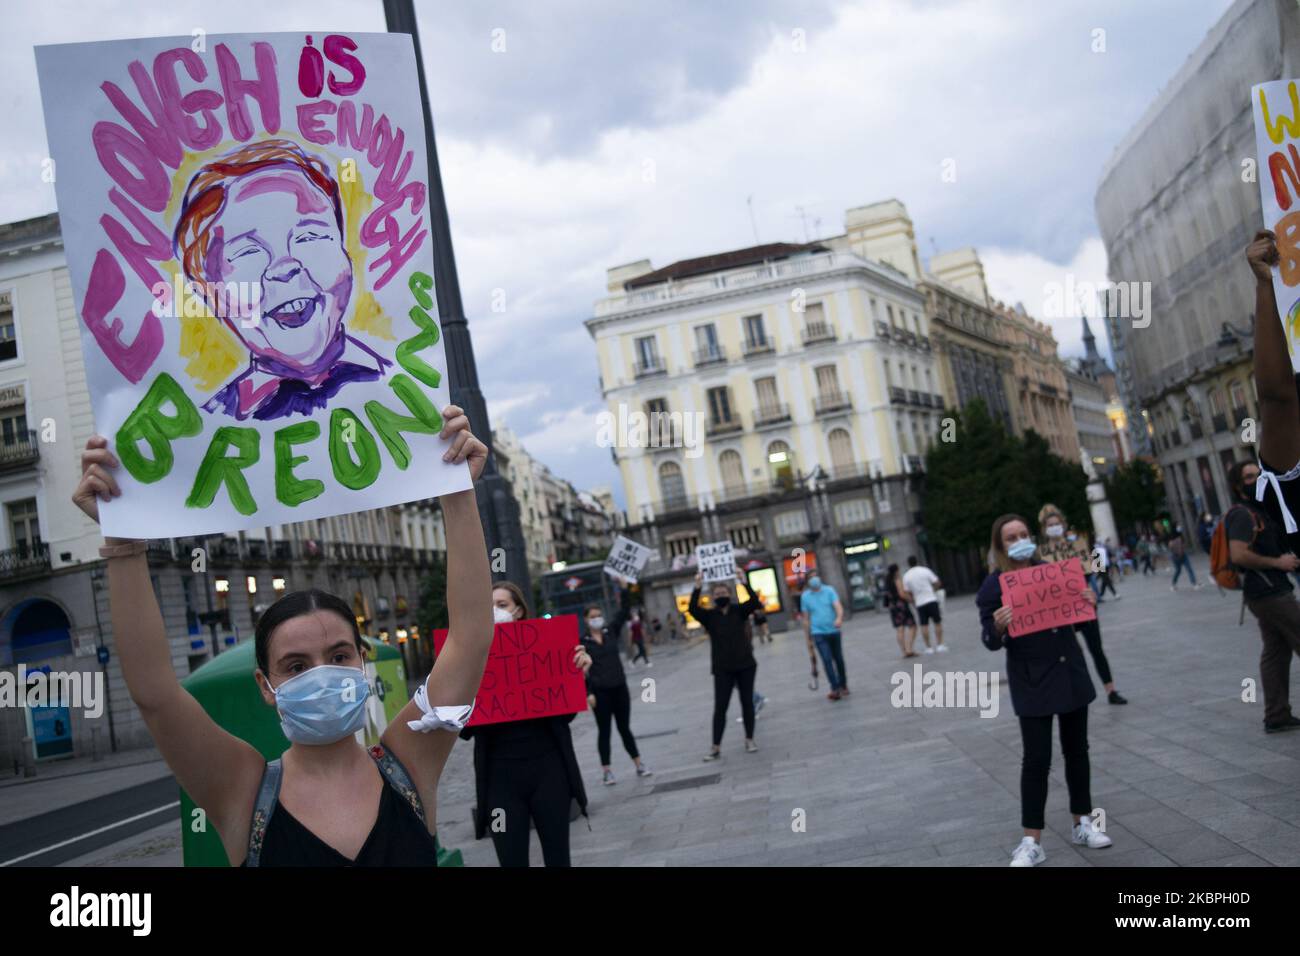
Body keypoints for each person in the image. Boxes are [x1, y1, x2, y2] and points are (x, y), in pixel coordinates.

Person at [70, 410, 492, 866]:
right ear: (264, 685)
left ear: (362, 663)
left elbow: (469, 636)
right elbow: (155, 694)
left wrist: (456, 492)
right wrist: (122, 541)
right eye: (296, 666)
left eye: (339, 655)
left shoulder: (410, 762)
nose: (321, 673)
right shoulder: (243, 791)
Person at [175, 139, 392, 421]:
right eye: (247, 252)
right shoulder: (201, 435)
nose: (284, 267)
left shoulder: (410, 390)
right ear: (208, 291)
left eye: (310, 237)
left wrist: (461, 459)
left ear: (344, 254)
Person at [977, 514, 1111, 867]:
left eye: (1023, 533)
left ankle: (1083, 822)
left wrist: (1087, 604)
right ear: (1000, 545)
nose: (1019, 540)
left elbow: (1079, 621)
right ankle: (1031, 840)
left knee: (1077, 750)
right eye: (1010, 537)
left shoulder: (1056, 570)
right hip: (1031, 679)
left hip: (1068, 670)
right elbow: (990, 640)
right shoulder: (994, 585)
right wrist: (997, 626)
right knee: (1036, 760)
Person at [459, 582, 592, 867]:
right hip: (499, 782)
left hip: (549, 773)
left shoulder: (545, 647)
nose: (494, 611)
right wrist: (457, 685)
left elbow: (565, 714)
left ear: (518, 611)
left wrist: (577, 672)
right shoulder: (472, 659)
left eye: (502, 605)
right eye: (488, 606)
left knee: (559, 860)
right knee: (511, 860)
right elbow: (465, 731)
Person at [1224, 461, 1300, 733]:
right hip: (1269, 591)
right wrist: (1277, 563)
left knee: (1276, 651)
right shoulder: (1242, 515)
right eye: (1248, 477)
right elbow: (1238, 554)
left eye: (1257, 475)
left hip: (1267, 591)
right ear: (1237, 485)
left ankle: (1277, 714)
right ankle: (1276, 713)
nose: (1255, 479)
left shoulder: (1260, 509)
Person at [1037, 505, 1128, 705]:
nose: (1054, 528)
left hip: (1084, 602)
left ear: (1063, 525)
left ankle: (1111, 690)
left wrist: (1091, 560)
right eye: (1050, 525)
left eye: (1057, 524)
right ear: (1045, 529)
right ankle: (1077, 692)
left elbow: (1094, 569)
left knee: (1096, 648)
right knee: (1069, 652)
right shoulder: (1041, 554)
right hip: (1061, 609)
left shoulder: (1078, 545)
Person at [580, 582, 651, 785]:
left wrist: (625, 589)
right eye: (592, 617)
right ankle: (607, 771)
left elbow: (624, 611)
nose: (596, 619)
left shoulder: (610, 631)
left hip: (620, 688)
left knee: (624, 728)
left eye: (598, 615)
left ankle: (639, 764)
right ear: (586, 619)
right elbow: (580, 671)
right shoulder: (582, 642)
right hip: (600, 693)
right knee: (604, 731)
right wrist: (588, 693)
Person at [690, 568, 762, 758]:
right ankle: (715, 746)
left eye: (723, 593)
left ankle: (749, 739)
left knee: (747, 703)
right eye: (717, 594)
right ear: (712, 597)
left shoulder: (739, 611)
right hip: (723, 668)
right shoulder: (709, 616)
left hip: (745, 665)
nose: (720, 596)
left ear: (730, 595)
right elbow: (692, 609)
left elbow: (755, 602)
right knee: (720, 707)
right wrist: (697, 586)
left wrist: (743, 581)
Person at [801, 573, 848, 700]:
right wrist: (808, 637)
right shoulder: (805, 597)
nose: (814, 579)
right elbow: (806, 618)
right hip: (818, 632)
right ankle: (834, 687)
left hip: (833, 630)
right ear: (807, 581)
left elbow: (838, 607)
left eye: (816, 576)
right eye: (811, 577)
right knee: (826, 659)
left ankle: (843, 684)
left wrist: (839, 618)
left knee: (838, 659)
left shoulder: (829, 590)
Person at [902, 556, 947, 653]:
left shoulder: (906, 576)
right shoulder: (925, 570)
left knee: (924, 625)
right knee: (937, 622)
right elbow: (937, 582)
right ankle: (940, 644)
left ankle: (928, 647)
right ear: (917, 561)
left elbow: (905, 592)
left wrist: (913, 600)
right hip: (931, 599)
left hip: (919, 603)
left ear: (908, 564)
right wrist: (933, 590)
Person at [885, 563, 918, 657]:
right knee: (912, 626)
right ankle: (909, 648)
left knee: (900, 628)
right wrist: (911, 600)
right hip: (901, 606)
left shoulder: (887, 581)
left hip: (893, 607)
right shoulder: (897, 580)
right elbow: (901, 594)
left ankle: (904, 651)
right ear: (896, 571)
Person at [1168, 526, 1200, 590]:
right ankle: (1173, 584)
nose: (1179, 527)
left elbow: (1182, 545)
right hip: (1176, 557)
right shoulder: (1172, 541)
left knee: (1189, 569)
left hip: (1183, 555)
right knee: (1178, 571)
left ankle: (1194, 583)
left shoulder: (1180, 537)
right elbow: (1172, 549)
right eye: (1177, 526)